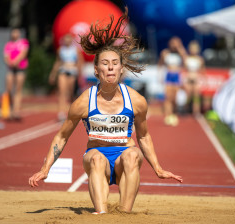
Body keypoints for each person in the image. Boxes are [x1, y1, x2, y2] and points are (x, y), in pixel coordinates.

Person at [29, 9, 182, 214]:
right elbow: (61, 136)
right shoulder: (84, 102)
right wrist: (45, 169)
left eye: (114, 64)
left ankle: (124, 215)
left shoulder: (136, 101)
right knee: (97, 159)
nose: (110, 68)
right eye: (105, 63)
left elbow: (143, 136)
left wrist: (158, 168)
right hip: (96, 156)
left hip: (124, 158)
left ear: (121, 69)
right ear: (96, 70)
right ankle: (101, 214)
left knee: (132, 155)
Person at [48, 34, 83, 121]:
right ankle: (61, 113)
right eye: (65, 39)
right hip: (63, 71)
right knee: (62, 92)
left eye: (69, 39)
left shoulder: (75, 50)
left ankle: (72, 111)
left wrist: (79, 73)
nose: (67, 40)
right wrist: (53, 74)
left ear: (71, 40)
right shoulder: (60, 50)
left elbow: (80, 61)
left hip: (72, 72)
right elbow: (58, 62)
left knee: (71, 94)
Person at [158, 37, 186, 126]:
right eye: (173, 43)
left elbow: (185, 62)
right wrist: (160, 76)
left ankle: (174, 114)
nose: (174, 45)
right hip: (168, 76)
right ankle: (168, 115)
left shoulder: (180, 53)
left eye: (176, 43)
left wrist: (180, 49)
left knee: (174, 98)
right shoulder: (165, 53)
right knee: (168, 97)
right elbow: (160, 64)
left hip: (177, 76)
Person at [3, 28, 29, 120]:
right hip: (11, 69)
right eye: (13, 32)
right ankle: (10, 109)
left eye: (17, 32)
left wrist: (16, 61)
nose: (15, 34)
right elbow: (6, 56)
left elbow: (23, 53)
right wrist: (10, 62)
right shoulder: (8, 44)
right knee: (9, 90)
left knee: (18, 90)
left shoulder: (23, 42)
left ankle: (16, 110)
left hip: (20, 68)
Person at [183, 40, 205, 116]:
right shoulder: (187, 58)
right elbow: (184, 70)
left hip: (196, 79)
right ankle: (186, 110)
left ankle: (196, 112)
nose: (194, 50)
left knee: (196, 96)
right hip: (188, 79)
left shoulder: (200, 59)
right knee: (188, 95)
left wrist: (202, 80)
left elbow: (202, 71)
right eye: (192, 48)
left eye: (195, 49)